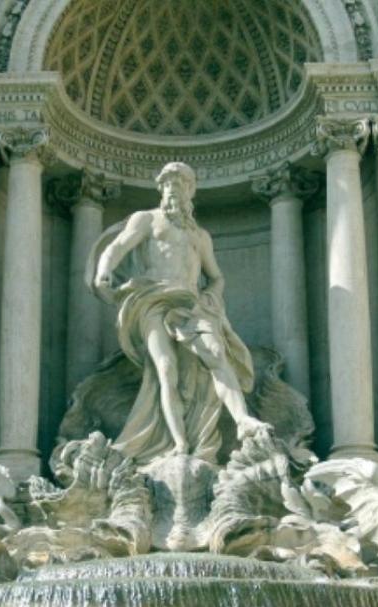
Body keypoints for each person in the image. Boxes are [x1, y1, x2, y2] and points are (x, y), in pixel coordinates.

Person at [91, 162, 266, 464]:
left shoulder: (200, 236)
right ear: (161, 189)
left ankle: (243, 421)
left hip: (190, 303)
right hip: (151, 301)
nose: (174, 188)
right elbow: (118, 246)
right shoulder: (146, 220)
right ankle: (180, 444)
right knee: (166, 367)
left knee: (215, 353)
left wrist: (211, 298)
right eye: (168, 183)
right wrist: (103, 271)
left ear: (190, 191)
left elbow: (216, 277)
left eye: (181, 183)